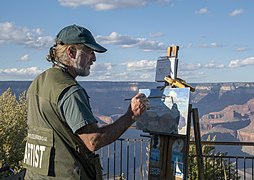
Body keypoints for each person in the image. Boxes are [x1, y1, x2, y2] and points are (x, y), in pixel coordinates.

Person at [23, 24, 149, 180]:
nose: (94, 58)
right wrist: (131, 115)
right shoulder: (70, 91)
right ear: (71, 52)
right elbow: (93, 140)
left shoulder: (38, 82)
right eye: (90, 52)